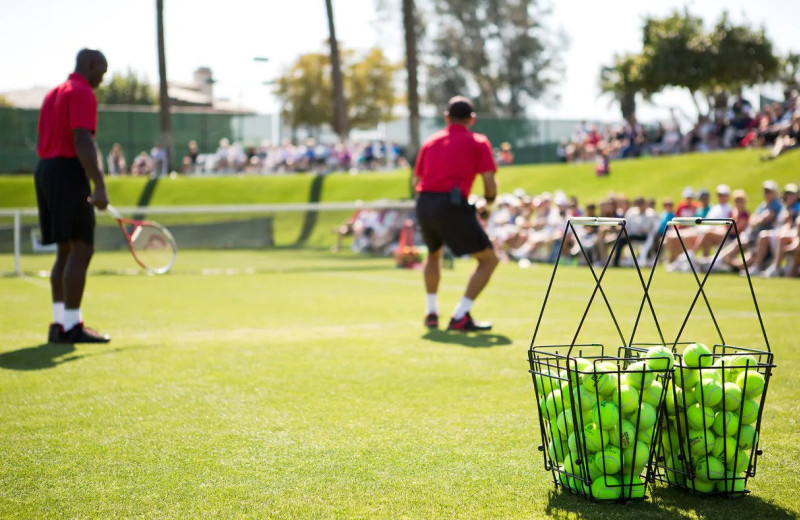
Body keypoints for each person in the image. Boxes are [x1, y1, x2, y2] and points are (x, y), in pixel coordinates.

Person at [34, 48, 110, 343]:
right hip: (67, 171)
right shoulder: (80, 92)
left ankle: (60, 324)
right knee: (81, 249)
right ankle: (71, 327)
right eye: (101, 72)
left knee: (65, 251)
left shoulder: (54, 93)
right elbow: (82, 140)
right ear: (90, 66)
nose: (101, 80)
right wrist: (99, 185)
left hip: (46, 171)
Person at [414, 96, 499, 331]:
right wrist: (487, 204)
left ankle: (431, 313)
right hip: (450, 205)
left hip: (424, 203)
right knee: (489, 259)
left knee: (433, 254)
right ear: (472, 119)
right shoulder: (478, 142)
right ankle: (460, 315)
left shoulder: (430, 142)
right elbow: (490, 183)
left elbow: (417, 180)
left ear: (446, 116)